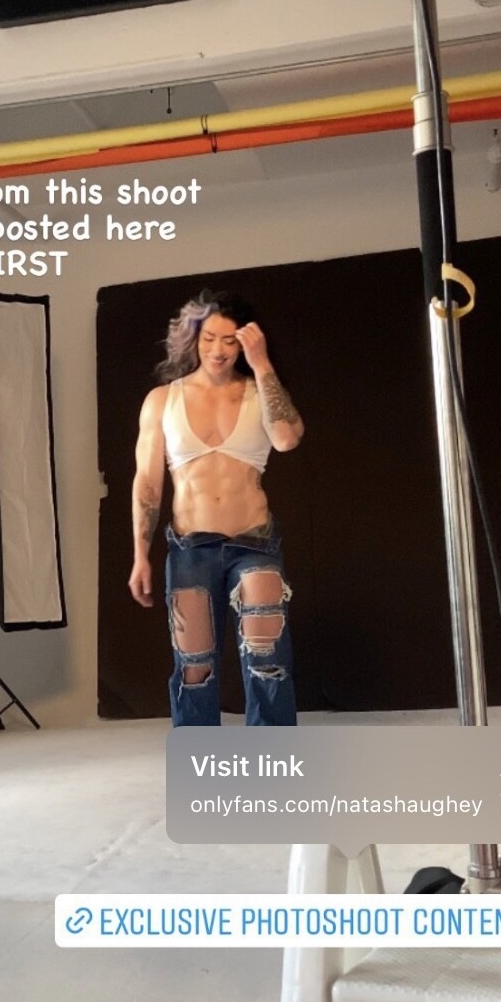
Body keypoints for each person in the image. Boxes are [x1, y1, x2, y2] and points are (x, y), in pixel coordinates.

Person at [128, 289, 304, 727]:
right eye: (209, 338)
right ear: (193, 339)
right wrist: (140, 555)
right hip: (191, 548)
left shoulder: (258, 391)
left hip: (254, 544)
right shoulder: (163, 399)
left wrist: (262, 363)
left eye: (230, 340)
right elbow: (147, 483)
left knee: (267, 661)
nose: (218, 350)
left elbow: (286, 439)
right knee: (195, 668)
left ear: (245, 342)